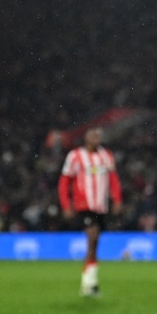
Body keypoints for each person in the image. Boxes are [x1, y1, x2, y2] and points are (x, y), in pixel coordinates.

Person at [58, 127, 122, 296]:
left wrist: (117, 199)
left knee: (94, 243)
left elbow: (113, 179)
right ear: (85, 138)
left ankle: (88, 283)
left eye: (98, 135)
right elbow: (64, 182)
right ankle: (90, 284)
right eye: (92, 135)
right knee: (92, 236)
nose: (96, 137)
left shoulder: (106, 155)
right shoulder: (75, 156)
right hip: (83, 206)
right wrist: (66, 205)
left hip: (100, 206)